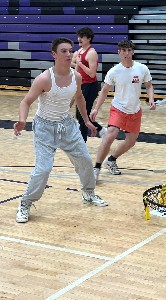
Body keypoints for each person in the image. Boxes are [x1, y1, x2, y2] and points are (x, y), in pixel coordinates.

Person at [13, 37, 108, 223]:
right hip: (44, 127)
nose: (69, 54)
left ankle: (88, 194)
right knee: (43, 169)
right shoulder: (44, 79)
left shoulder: (77, 77)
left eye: (70, 50)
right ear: (54, 55)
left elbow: (80, 98)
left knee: (85, 161)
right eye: (64, 51)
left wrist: (87, 121)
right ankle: (25, 203)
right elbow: (25, 102)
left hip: (67, 125)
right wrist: (22, 120)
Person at [90, 40, 155, 181]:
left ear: (133, 52)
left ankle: (111, 160)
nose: (126, 53)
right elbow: (104, 91)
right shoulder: (114, 71)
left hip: (135, 110)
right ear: (119, 52)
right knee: (110, 135)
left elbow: (149, 86)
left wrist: (151, 98)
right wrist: (96, 108)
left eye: (129, 50)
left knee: (131, 141)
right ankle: (96, 168)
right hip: (118, 108)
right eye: (123, 50)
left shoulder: (142, 68)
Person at [71, 27, 106, 142]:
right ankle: (101, 130)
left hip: (90, 86)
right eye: (78, 36)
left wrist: (80, 64)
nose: (79, 39)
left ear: (89, 39)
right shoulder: (79, 52)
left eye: (82, 37)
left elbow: (92, 74)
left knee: (82, 116)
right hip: (81, 85)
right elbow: (74, 64)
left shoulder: (92, 53)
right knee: (79, 115)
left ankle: (82, 142)